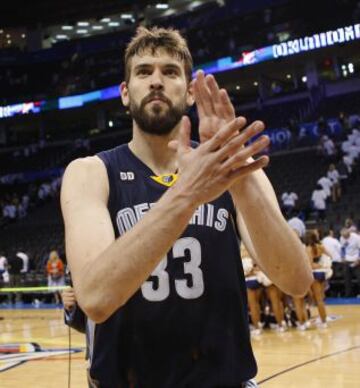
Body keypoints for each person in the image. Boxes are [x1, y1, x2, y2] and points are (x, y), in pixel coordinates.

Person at [61, 26, 313, 387]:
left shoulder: (232, 169)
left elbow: (297, 280)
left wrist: (239, 180)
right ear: (124, 94)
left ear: (191, 93)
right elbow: (97, 299)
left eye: (171, 72)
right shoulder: (90, 173)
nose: (157, 81)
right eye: (144, 72)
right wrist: (188, 193)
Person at [305, 230, 332, 329]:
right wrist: (324, 265)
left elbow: (310, 265)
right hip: (322, 274)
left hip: (314, 275)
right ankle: (323, 319)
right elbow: (330, 256)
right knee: (321, 298)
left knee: (317, 299)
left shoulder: (308, 249)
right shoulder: (321, 246)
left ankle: (323, 321)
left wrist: (318, 265)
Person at [340, 228, 360, 297]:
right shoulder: (342, 237)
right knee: (347, 279)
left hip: (356, 260)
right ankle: (348, 295)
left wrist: (358, 260)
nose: (344, 238)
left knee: (359, 278)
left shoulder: (356, 237)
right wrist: (342, 257)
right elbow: (342, 248)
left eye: (346, 237)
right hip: (347, 260)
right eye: (343, 237)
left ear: (349, 234)